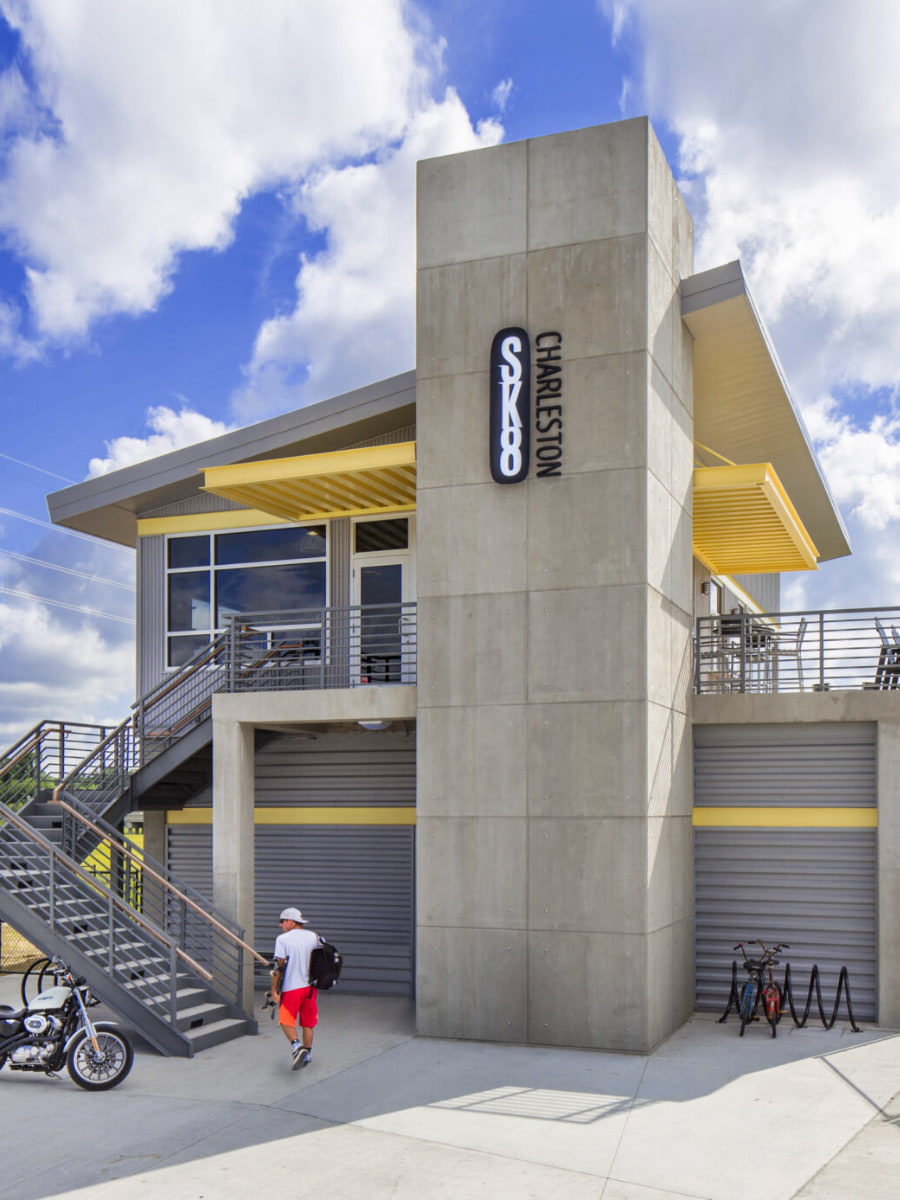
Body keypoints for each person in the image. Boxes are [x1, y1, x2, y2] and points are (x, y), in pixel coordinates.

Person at [271, 906, 320, 1070]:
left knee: (285, 1020)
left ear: (291, 922)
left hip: (292, 987)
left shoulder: (283, 939)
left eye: (282, 921)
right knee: (308, 1023)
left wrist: (274, 991)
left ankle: (297, 1047)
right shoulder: (314, 936)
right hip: (310, 987)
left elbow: (279, 967)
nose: (280, 925)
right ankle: (308, 1055)